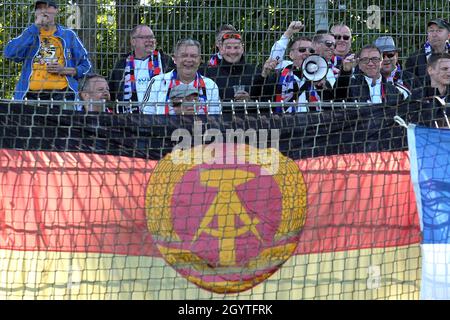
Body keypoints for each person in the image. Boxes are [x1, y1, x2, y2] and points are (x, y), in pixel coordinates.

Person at [3, 1, 91, 101]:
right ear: (35, 13)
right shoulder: (30, 34)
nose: (43, 11)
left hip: (63, 95)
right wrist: (35, 27)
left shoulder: (68, 35)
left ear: (56, 10)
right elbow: (9, 53)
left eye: (47, 7)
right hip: (31, 95)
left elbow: (86, 66)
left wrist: (64, 70)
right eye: (39, 8)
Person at [142, 38, 220, 115]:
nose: (189, 60)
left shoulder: (210, 86)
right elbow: (146, 118)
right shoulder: (157, 82)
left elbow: (215, 121)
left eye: (193, 56)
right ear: (175, 59)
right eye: (184, 55)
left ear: (199, 60)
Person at [108, 24, 173, 112]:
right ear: (133, 41)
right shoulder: (122, 64)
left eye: (152, 37)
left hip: (161, 116)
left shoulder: (166, 61)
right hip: (130, 119)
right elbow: (113, 92)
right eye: (145, 37)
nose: (150, 41)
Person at [204, 31, 263, 110]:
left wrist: (250, 102)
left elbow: (266, 107)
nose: (232, 52)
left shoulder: (256, 73)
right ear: (221, 50)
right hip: (219, 121)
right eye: (228, 47)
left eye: (236, 47)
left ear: (242, 49)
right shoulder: (210, 74)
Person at [335, 44, 408, 104]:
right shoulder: (351, 86)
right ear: (359, 64)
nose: (370, 63)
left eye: (375, 59)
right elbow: (337, 97)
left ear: (381, 62)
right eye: (365, 60)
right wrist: (345, 72)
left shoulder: (394, 91)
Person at [406, 18, 450, 85]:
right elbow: (410, 86)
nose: (434, 35)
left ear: (448, 36)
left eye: (439, 31)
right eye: (431, 30)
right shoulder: (415, 58)